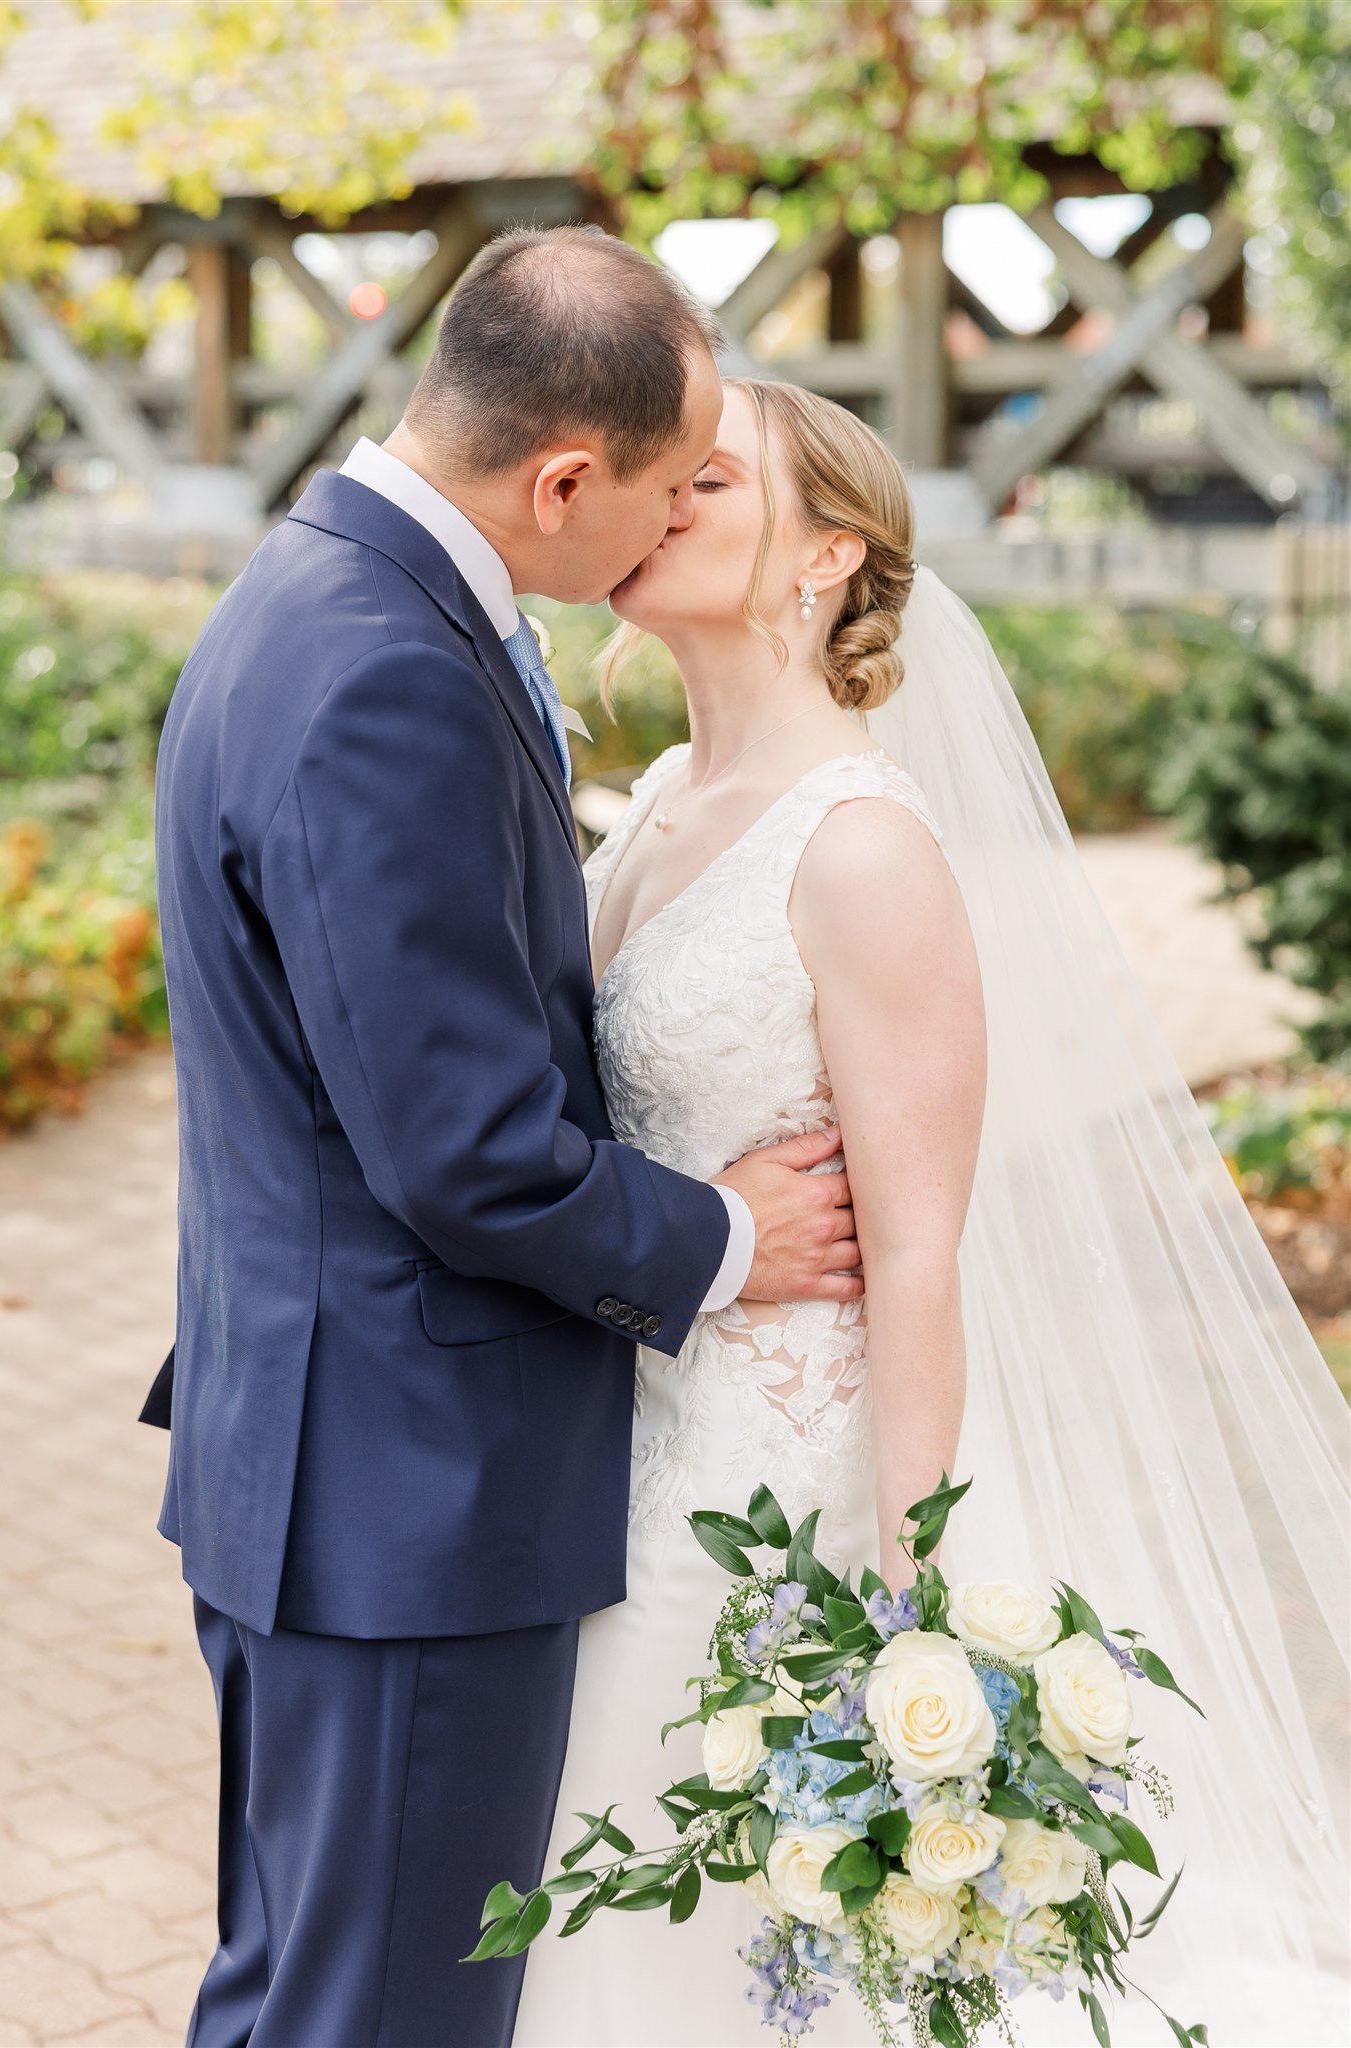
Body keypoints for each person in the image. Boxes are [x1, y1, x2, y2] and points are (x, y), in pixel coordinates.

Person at [511, 379, 1350, 2046]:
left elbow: (913, 1247)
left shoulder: (862, 850)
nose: (659, 498)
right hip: (622, 1424)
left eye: (708, 479)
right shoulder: (663, 796)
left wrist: (910, 1605)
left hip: (774, 1485)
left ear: (826, 553)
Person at [138, 228, 866, 2048]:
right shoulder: (389, 671)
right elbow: (464, 1150)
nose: (675, 518)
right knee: (381, 2016)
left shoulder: (311, 590)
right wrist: (722, 1238)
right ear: (561, 480)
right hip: (406, 1493)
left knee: (294, 1990)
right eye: (666, 485)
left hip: (316, 1459)